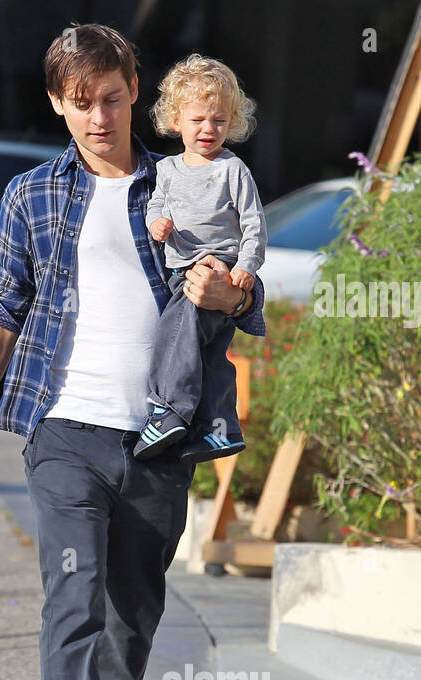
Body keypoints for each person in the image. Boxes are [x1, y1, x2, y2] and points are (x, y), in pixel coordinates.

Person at [0, 23, 266, 680]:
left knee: (134, 612)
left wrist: (228, 292)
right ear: (58, 103)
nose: (99, 117)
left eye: (113, 99)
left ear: (135, 92)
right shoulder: (32, 195)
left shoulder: (183, 180)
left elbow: (240, 283)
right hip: (64, 429)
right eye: (81, 102)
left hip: (160, 432)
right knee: (73, 592)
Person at [133, 54, 267, 463]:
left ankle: (169, 409)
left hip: (216, 267)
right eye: (198, 120)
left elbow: (254, 223)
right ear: (176, 120)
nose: (209, 129)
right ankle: (219, 429)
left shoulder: (233, 169)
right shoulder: (169, 169)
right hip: (181, 267)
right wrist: (156, 223)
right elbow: (156, 205)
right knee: (208, 352)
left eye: (219, 121)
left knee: (176, 331)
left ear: (233, 122)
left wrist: (245, 266)